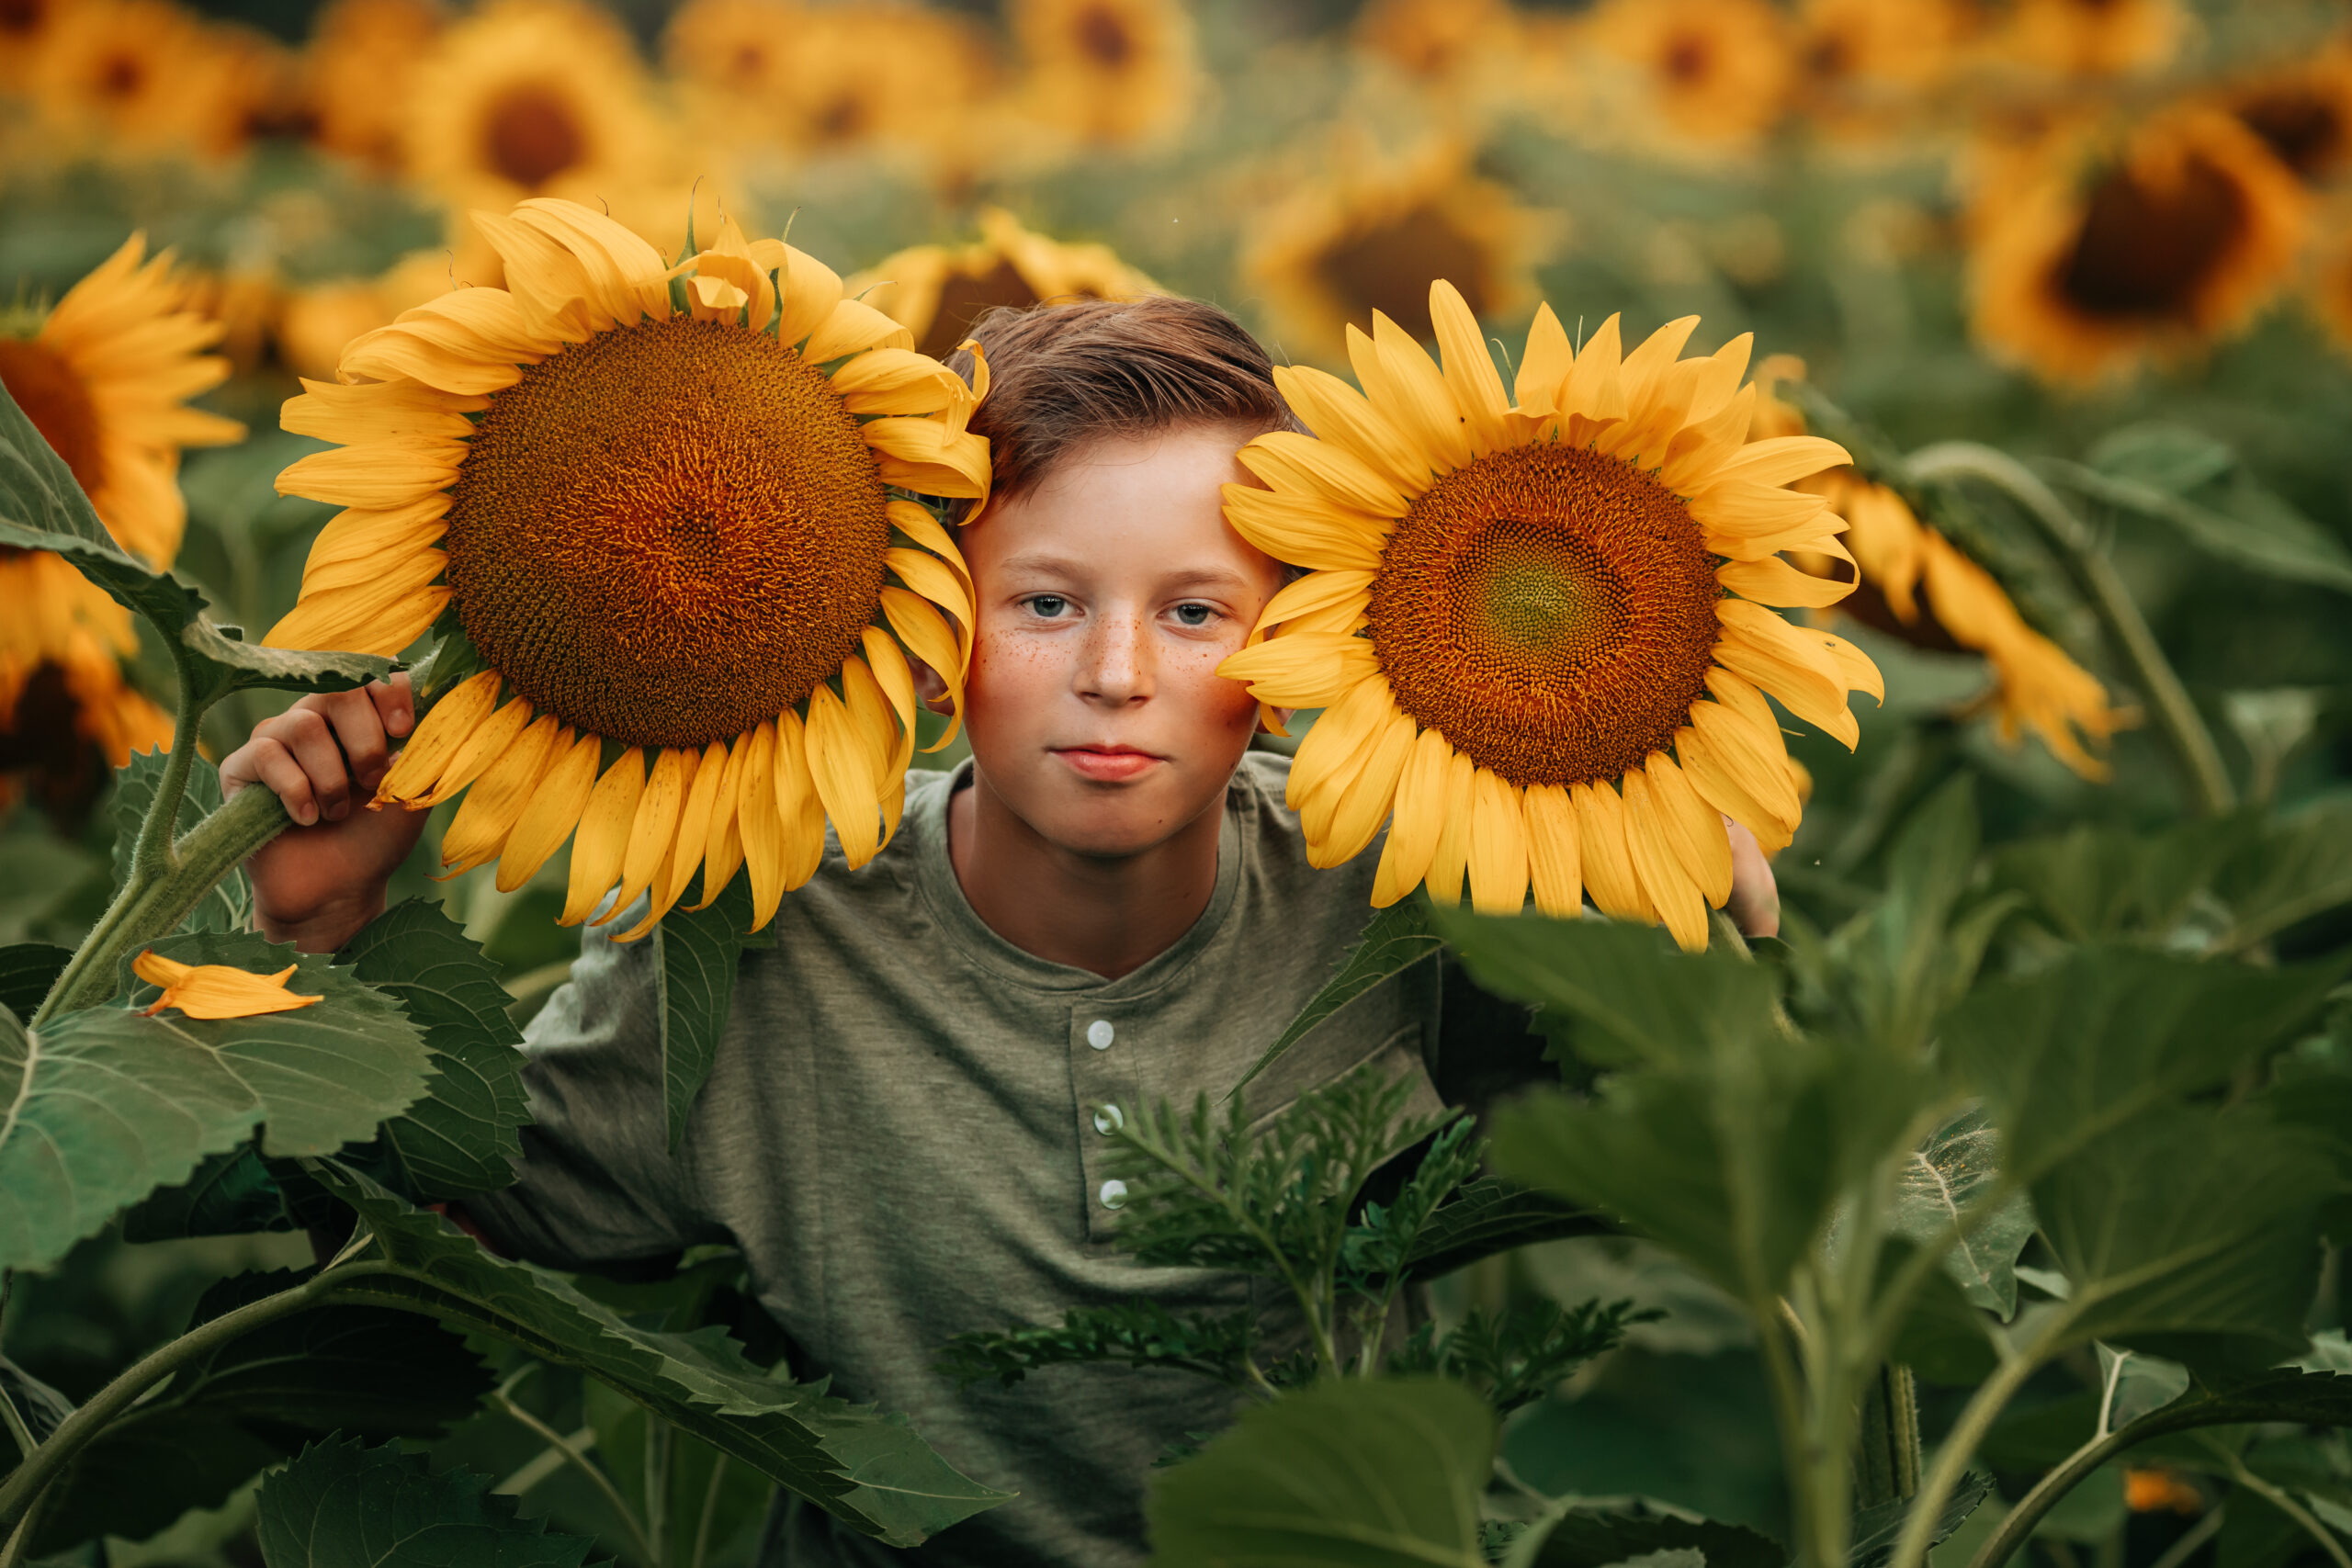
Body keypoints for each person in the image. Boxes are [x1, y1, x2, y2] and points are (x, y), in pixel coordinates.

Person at [221, 295, 1781, 1566]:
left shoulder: (1406, 891)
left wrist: (1669, 920)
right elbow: (454, 1219)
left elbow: (1694, 1174)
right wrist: (316, 939)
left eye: (1195, 613)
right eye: (1043, 604)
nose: (1116, 671)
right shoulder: (758, 928)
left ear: (1309, 646)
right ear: (928, 631)